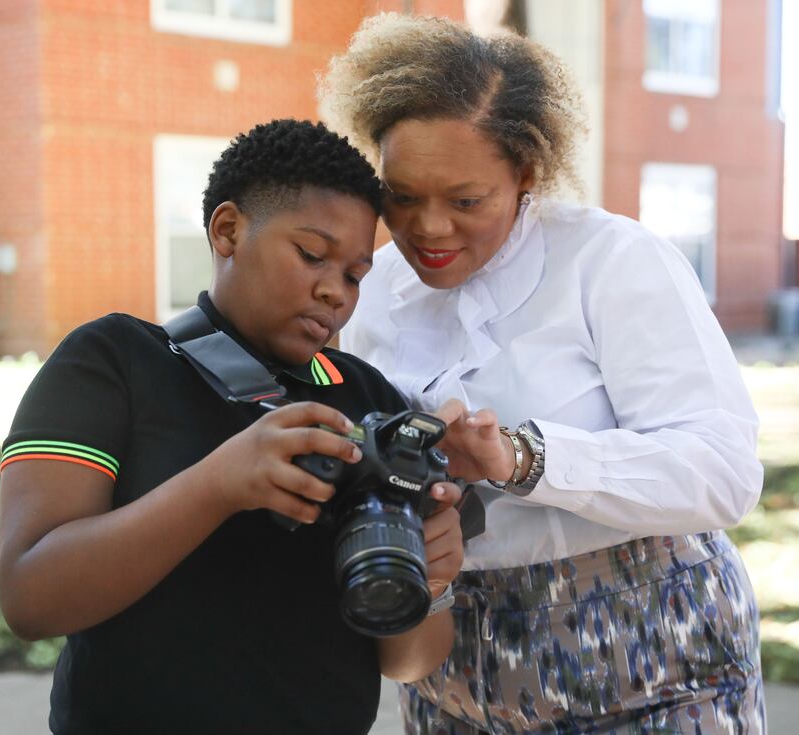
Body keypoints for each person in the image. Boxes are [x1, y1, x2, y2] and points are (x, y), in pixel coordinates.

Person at [320, 13, 766, 734]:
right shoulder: (372, 295)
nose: (428, 228)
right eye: (401, 195)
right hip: (451, 679)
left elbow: (724, 471)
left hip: (653, 666)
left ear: (525, 174)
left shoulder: (613, 262)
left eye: (466, 200)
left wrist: (524, 457)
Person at [0, 119, 466, 735]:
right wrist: (218, 485)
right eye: (311, 255)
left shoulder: (370, 403)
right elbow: (30, 598)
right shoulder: (113, 360)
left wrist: (430, 581)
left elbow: (408, 663)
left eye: (354, 275)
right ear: (228, 230)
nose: (335, 293)